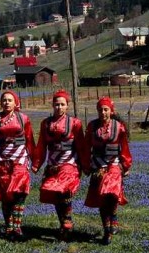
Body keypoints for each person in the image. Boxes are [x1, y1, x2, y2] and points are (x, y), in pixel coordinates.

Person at [31, 90, 87, 241]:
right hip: (52, 165)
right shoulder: (46, 123)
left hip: (69, 164)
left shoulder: (75, 123)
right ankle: (63, 223)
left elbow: (81, 145)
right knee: (55, 195)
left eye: (62, 104)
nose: (59, 107)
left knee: (63, 191)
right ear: (52, 105)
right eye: (57, 104)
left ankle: (67, 221)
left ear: (67, 106)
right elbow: (41, 145)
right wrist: (37, 164)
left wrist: (85, 164)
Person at [0, 90, 35, 240]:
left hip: (19, 161)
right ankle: (9, 227)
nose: (6, 102)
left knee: (20, 193)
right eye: (4, 100)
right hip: (2, 162)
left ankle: (17, 228)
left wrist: (35, 161)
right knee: (6, 196)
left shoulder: (23, 118)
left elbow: (30, 140)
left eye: (10, 100)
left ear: (15, 102)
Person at [83, 97, 132, 245]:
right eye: (100, 110)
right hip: (98, 166)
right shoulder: (92, 127)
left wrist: (126, 165)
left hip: (114, 165)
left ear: (111, 111)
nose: (103, 112)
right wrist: (86, 166)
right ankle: (107, 229)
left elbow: (124, 148)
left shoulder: (119, 127)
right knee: (101, 198)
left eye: (105, 109)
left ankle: (113, 217)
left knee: (111, 193)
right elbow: (86, 148)